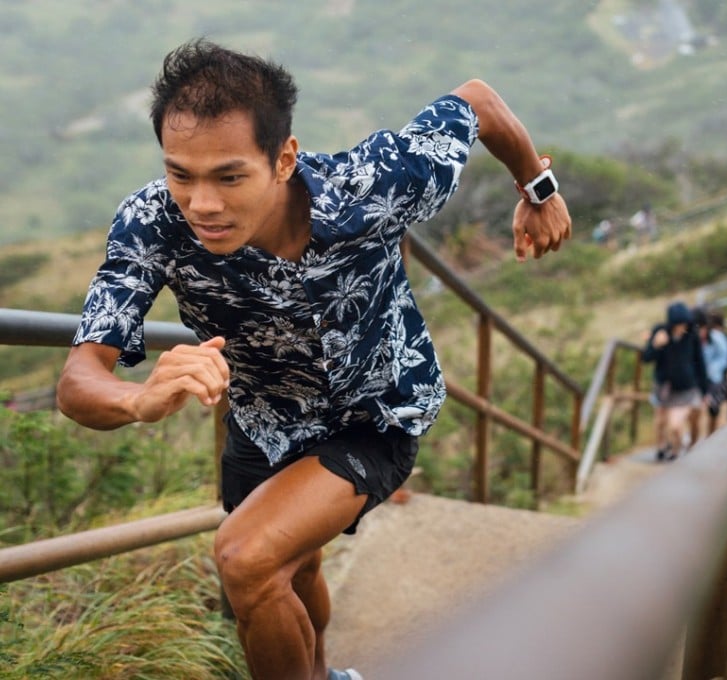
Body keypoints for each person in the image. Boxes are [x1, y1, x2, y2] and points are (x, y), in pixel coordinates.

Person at [54, 39, 571, 680]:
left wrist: (539, 189)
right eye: (180, 173)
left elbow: (479, 102)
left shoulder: (375, 183)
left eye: (229, 175)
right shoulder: (152, 224)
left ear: (283, 159)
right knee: (289, 566)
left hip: (375, 413)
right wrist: (136, 399)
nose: (202, 204)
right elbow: (78, 379)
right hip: (265, 420)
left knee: (245, 558)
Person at [641, 302, 708, 460]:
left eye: (684, 323)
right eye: (679, 324)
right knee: (660, 421)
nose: (682, 327)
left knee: (675, 425)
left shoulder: (692, 336)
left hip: (685, 388)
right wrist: (656, 345)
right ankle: (662, 447)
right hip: (664, 387)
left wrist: (704, 390)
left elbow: (700, 363)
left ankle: (676, 451)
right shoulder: (660, 332)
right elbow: (646, 358)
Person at [692, 307, 727, 438]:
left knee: (713, 410)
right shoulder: (693, 340)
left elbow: (724, 358)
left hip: (714, 379)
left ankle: (710, 438)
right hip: (698, 378)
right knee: (695, 409)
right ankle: (693, 441)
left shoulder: (717, 339)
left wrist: (710, 370)